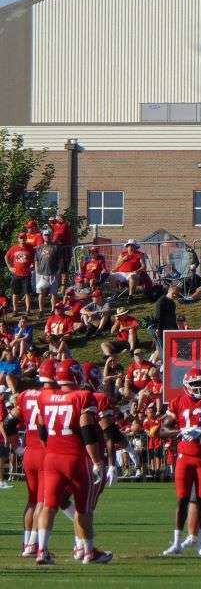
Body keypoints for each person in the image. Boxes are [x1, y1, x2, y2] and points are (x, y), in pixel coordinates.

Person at [35, 359, 110, 564]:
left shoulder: (45, 396)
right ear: (77, 375)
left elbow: (41, 429)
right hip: (75, 458)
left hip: (51, 458)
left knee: (48, 506)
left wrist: (49, 449)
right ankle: (88, 552)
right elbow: (86, 430)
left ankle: (42, 550)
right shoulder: (83, 396)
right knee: (83, 508)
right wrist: (97, 461)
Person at [159, 368, 201, 557]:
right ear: (186, 385)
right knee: (182, 500)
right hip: (184, 457)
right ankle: (176, 543)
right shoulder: (177, 402)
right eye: (195, 384)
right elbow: (162, 430)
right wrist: (180, 432)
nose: (200, 387)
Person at [11, 360, 54, 557]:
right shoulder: (50, 396)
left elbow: (8, 424)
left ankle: (26, 542)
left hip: (29, 452)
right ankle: (33, 545)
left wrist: (16, 447)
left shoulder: (23, 396)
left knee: (31, 501)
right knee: (42, 502)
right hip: (45, 452)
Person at [5, 232, 34, 316]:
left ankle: (28, 310)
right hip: (16, 274)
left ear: (26, 239)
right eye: (20, 238)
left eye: (24, 238)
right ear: (18, 239)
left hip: (26, 274)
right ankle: (15, 310)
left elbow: (35, 258)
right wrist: (10, 267)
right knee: (15, 293)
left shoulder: (30, 248)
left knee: (27, 293)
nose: (22, 240)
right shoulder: (14, 248)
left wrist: (33, 265)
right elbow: (6, 257)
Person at [34, 229, 62, 316]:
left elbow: (61, 260)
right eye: (45, 235)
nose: (47, 236)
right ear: (43, 236)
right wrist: (36, 271)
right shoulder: (39, 248)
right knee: (41, 293)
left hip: (53, 273)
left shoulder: (56, 247)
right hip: (41, 274)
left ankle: (53, 310)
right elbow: (36, 260)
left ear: (51, 235)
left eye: (48, 235)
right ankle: (41, 311)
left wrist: (59, 271)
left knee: (53, 293)